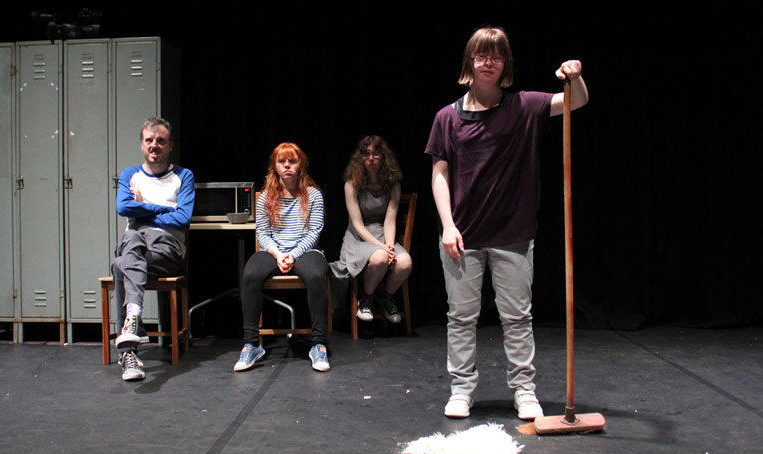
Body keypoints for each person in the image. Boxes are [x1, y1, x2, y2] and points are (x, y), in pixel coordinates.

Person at [425, 27, 588, 419]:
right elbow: (440, 174)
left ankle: (524, 391)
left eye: (497, 56)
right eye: (482, 55)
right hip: (463, 235)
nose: (489, 62)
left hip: (513, 234)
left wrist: (575, 75)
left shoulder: (525, 106)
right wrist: (447, 224)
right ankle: (461, 390)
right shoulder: (447, 118)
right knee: (461, 318)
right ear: (470, 62)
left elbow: (575, 102)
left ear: (505, 65)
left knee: (517, 317)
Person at [234, 142, 330, 372]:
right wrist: (278, 254)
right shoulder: (266, 196)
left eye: (292, 161)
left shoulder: (314, 195)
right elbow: (263, 233)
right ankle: (251, 344)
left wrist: (293, 255)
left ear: (300, 166)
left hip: (305, 250)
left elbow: (314, 233)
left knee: (317, 275)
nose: (287, 165)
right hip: (274, 250)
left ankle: (318, 344)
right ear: (275, 166)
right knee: (250, 274)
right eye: (282, 161)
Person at [112, 117, 195, 381]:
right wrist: (162, 208)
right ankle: (134, 320)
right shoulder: (129, 175)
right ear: (142, 145)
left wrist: (143, 209)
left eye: (161, 140)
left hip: (166, 249)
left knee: (121, 263)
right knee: (132, 244)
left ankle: (128, 350)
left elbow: (182, 219)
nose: (154, 145)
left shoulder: (183, 176)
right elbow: (123, 208)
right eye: (149, 140)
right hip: (136, 245)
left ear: (170, 145)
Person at [330, 135, 412, 323]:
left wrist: (389, 246)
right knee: (379, 258)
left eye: (376, 154)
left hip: (383, 234)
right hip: (358, 237)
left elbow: (390, 221)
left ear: (384, 157)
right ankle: (366, 299)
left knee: (405, 262)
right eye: (366, 154)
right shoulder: (351, 184)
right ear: (360, 158)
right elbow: (357, 224)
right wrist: (382, 248)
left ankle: (385, 297)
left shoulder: (393, 186)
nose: (371, 158)